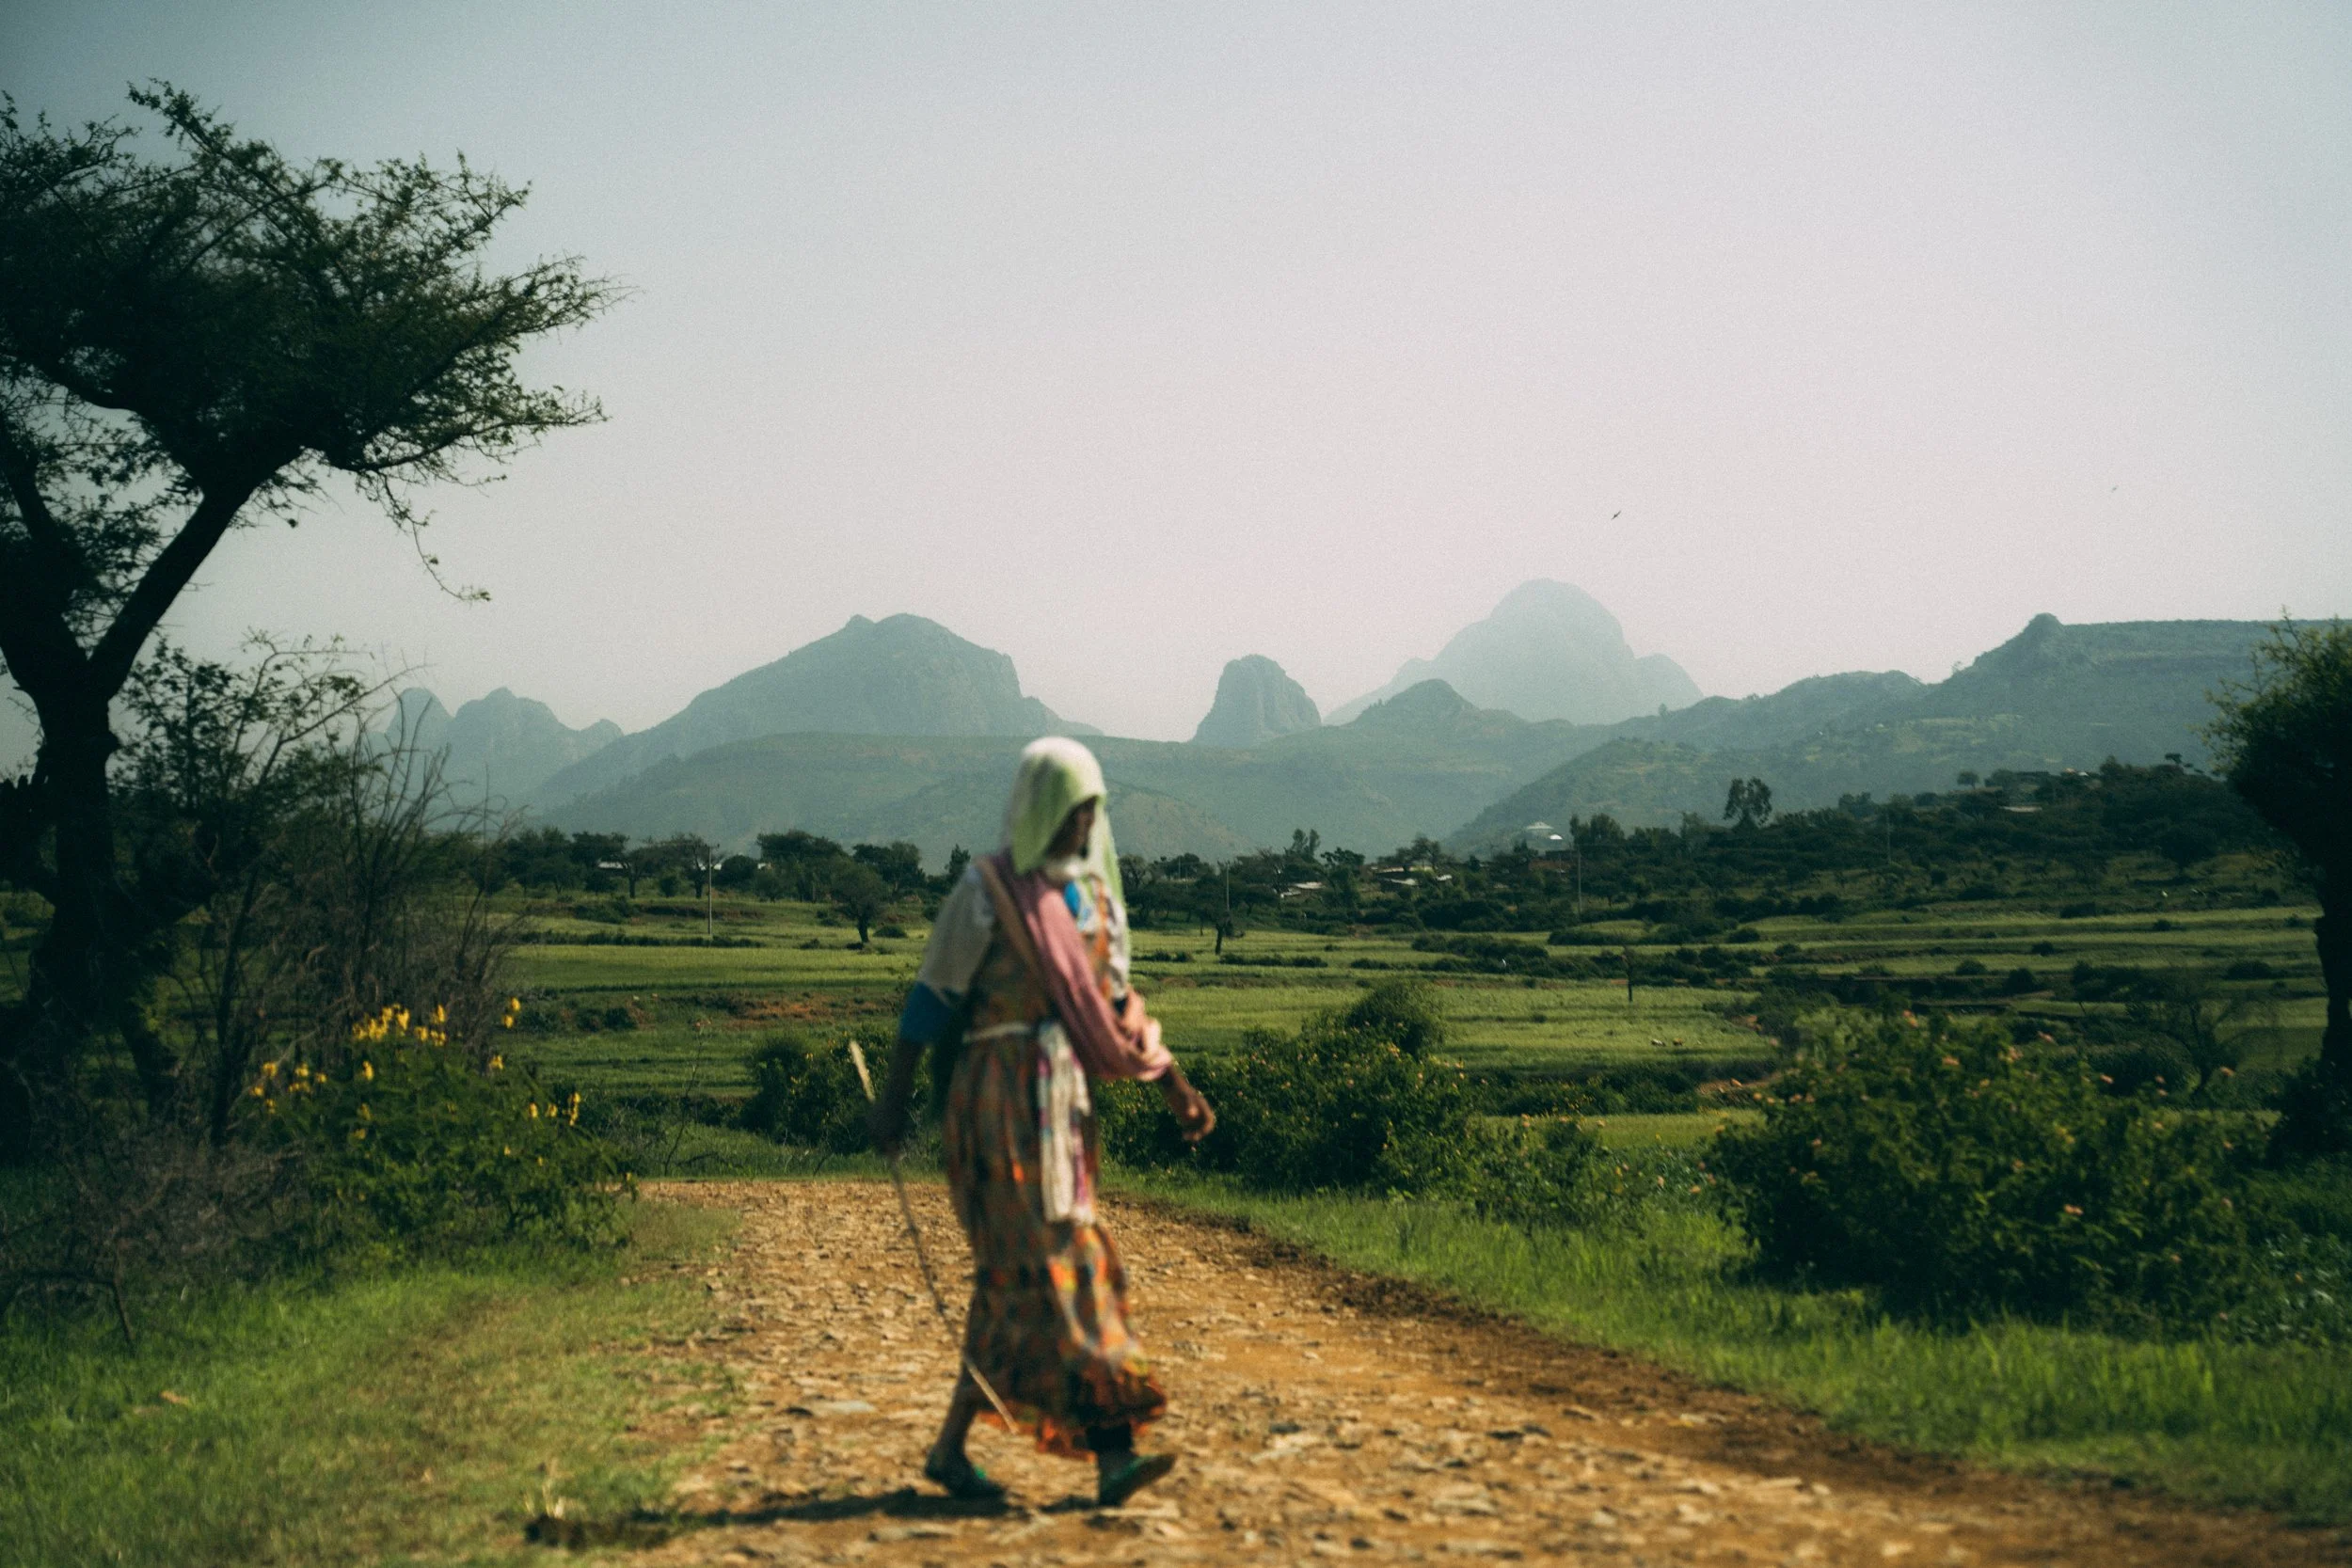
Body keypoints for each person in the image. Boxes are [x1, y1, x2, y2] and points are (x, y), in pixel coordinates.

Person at [870, 736, 1216, 1508]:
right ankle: (1115, 1451)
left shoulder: (1093, 902)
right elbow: (931, 1000)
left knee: (1015, 1278)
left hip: (1066, 1110)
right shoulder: (987, 893)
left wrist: (1178, 1090)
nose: (1082, 826)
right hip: (995, 1107)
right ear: (1040, 809)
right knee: (1071, 1264)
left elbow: (1119, 1012)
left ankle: (951, 1448)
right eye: (1071, 810)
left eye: (1092, 812)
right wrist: (893, 1100)